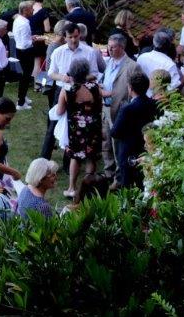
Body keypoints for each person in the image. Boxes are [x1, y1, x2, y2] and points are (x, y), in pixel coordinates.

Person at [56, 58, 102, 198]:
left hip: (76, 130)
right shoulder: (94, 87)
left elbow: (59, 111)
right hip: (93, 127)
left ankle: (72, 188)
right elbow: (99, 106)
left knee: (75, 158)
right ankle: (88, 189)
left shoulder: (67, 90)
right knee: (91, 157)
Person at [99, 34, 142, 178]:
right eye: (108, 46)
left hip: (119, 109)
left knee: (117, 143)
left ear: (122, 47)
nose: (109, 49)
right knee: (105, 141)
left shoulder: (132, 66)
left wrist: (109, 93)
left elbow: (133, 90)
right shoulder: (109, 62)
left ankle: (119, 176)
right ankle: (108, 171)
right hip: (105, 107)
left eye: (113, 47)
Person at [110, 71, 157, 189]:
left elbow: (115, 132)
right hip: (147, 148)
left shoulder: (127, 108)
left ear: (130, 89)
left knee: (129, 186)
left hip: (128, 151)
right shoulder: (154, 104)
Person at [12, 1, 36, 109]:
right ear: (25, 10)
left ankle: (23, 96)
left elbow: (20, 36)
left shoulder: (18, 20)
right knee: (26, 76)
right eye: (31, 8)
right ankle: (21, 102)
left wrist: (30, 38)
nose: (33, 10)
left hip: (19, 49)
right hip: (26, 51)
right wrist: (33, 40)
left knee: (25, 75)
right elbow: (26, 43)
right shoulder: (25, 23)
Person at [29, 0, 52, 75]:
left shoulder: (29, 10)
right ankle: (37, 81)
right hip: (40, 38)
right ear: (43, 0)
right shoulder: (43, 11)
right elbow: (47, 29)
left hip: (30, 38)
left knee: (34, 63)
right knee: (38, 64)